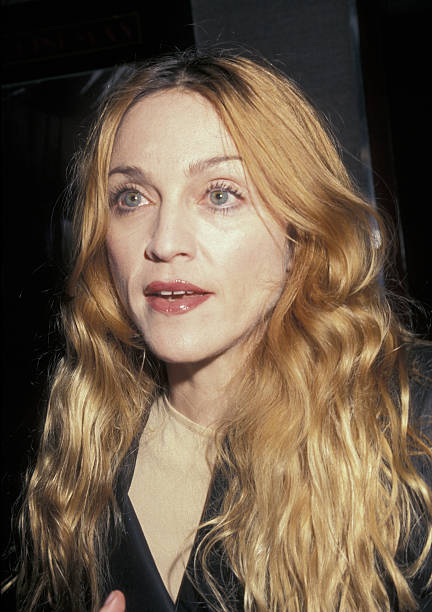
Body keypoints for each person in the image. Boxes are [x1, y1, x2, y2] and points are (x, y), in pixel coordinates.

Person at [7, 49, 432, 611]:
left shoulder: (409, 429)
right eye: (132, 198)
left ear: (299, 228)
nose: (164, 241)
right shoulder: (83, 437)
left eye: (220, 194)